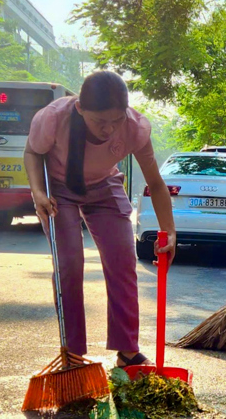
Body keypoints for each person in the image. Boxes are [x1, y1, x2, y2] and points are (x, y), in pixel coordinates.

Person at [24, 71, 176, 368]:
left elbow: (156, 184)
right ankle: (74, 356)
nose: (108, 130)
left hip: (104, 186)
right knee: (69, 264)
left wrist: (169, 230)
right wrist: (38, 193)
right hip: (59, 187)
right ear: (80, 108)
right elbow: (32, 152)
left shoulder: (135, 128)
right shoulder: (53, 118)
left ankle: (127, 352)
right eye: (100, 121)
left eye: (115, 121)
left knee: (123, 260)